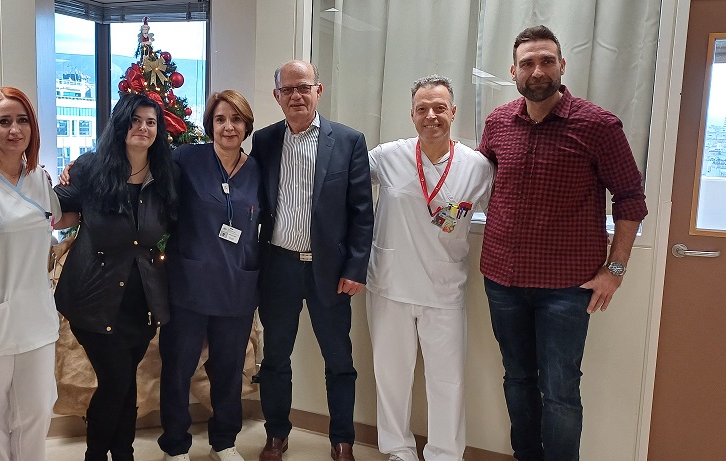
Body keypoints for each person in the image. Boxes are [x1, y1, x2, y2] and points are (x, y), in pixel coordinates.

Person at [478, 25, 647, 461]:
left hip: (567, 288)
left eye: (546, 61)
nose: (537, 71)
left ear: (562, 66)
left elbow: (630, 198)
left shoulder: (598, 126)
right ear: (513, 71)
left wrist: (615, 269)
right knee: (517, 379)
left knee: (559, 390)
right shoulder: (498, 122)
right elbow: (478, 180)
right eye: (528, 63)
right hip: (503, 281)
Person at [250, 60, 374, 461]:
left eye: (304, 87)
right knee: (275, 358)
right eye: (288, 90)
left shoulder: (349, 141)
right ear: (277, 96)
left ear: (318, 91)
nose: (296, 96)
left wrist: (355, 268)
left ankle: (342, 440)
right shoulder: (264, 141)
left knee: (339, 360)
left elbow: (362, 213)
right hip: (279, 268)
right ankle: (276, 434)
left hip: (331, 271)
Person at [366, 76, 493, 461]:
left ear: (453, 112)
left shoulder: (477, 166)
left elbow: (505, 216)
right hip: (390, 285)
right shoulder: (387, 156)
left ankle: (444, 454)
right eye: (422, 109)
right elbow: (341, 183)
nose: (431, 116)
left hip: (444, 289)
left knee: (447, 381)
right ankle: (398, 451)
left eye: (439, 108)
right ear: (412, 115)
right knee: (391, 377)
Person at [53, 93, 178, 461]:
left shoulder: (167, 175)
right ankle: (96, 455)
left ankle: (123, 453)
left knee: (123, 381)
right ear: (121, 124)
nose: (143, 128)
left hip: (142, 304)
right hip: (93, 300)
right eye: (135, 120)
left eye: (151, 122)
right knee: (117, 380)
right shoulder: (91, 169)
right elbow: (57, 208)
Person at [0, 87, 76, 461]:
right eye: (4, 121)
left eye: (22, 120)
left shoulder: (37, 178)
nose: (15, 130)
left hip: (36, 320)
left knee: (37, 413)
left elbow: (56, 218)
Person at [158, 90, 260, 461]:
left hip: (237, 287)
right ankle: (175, 446)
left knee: (230, 370)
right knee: (178, 368)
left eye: (236, 119)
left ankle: (224, 442)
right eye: (220, 119)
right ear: (210, 125)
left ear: (246, 125)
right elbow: (143, 172)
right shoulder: (186, 158)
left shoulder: (258, 170)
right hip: (189, 286)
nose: (228, 127)